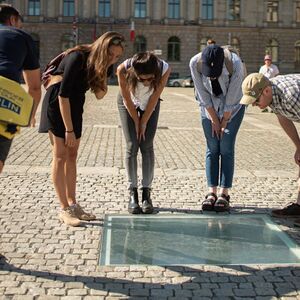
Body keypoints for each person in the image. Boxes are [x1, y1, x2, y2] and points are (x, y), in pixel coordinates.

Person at [39, 31, 125, 226]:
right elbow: (63, 94)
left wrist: (108, 71)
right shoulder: (77, 56)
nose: (113, 58)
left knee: (72, 155)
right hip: (57, 103)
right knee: (60, 155)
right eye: (110, 54)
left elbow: (100, 95)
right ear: (102, 48)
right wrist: (69, 129)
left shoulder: (104, 65)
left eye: (117, 56)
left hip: (76, 105)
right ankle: (64, 209)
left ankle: (73, 203)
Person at [190, 44, 245, 212]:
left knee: (226, 148)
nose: (212, 78)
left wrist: (224, 121)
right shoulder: (195, 63)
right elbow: (202, 93)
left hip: (233, 109)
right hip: (208, 109)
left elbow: (233, 96)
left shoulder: (235, 63)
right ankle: (211, 192)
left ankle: (224, 193)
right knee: (212, 147)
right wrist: (214, 119)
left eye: (216, 75)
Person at [240, 72, 300, 227]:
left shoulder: (291, 96)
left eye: (255, 100)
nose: (254, 104)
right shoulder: (271, 93)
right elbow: (283, 118)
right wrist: (298, 147)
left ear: (266, 91)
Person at [117, 51, 170, 214]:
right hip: (128, 103)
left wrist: (144, 121)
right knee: (132, 145)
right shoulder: (122, 70)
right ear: (134, 73)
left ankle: (146, 192)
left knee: (146, 145)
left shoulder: (164, 69)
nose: (147, 82)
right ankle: (132, 192)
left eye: (150, 78)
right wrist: (137, 121)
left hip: (151, 103)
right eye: (142, 79)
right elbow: (126, 99)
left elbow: (154, 97)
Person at [0, 4, 41, 174]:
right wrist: (29, 115)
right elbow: (34, 86)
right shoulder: (21, 36)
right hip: (5, 99)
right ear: (12, 20)